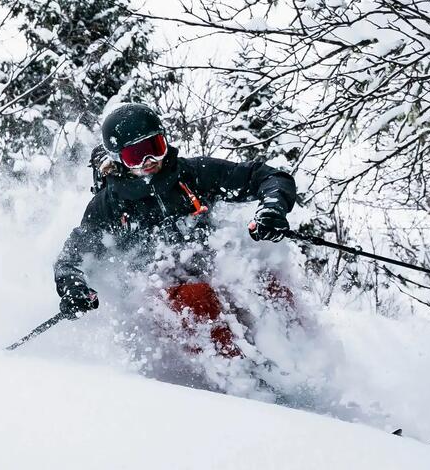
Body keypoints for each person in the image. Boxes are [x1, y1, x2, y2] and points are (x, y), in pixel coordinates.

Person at [53, 103, 299, 359]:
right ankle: (242, 380)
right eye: (135, 156)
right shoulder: (109, 206)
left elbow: (266, 178)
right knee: (196, 298)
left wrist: (273, 209)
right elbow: (70, 259)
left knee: (263, 278)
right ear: (118, 160)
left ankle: (298, 357)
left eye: (154, 149)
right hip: (156, 296)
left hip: (212, 271)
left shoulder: (192, 175)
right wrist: (74, 288)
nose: (149, 162)